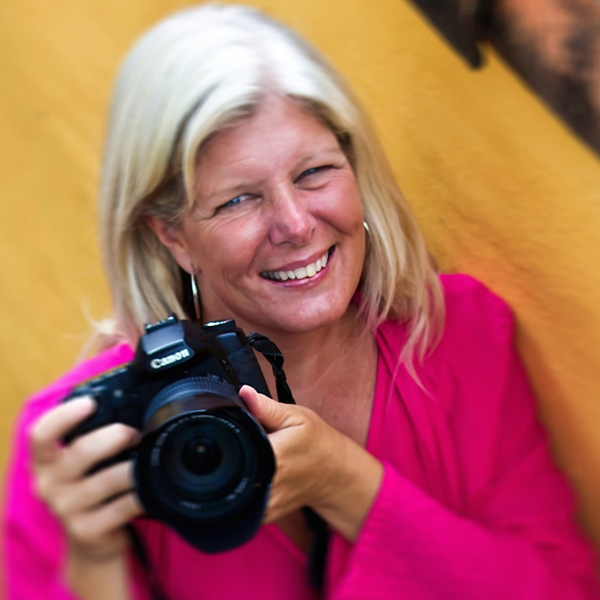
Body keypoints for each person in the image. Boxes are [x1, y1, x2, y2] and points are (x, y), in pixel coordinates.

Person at [3, 4, 599, 600]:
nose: (294, 225)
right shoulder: (80, 440)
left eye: (314, 172)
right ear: (172, 235)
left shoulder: (458, 336)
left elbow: (563, 589)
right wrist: (93, 562)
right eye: (238, 200)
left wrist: (347, 484)